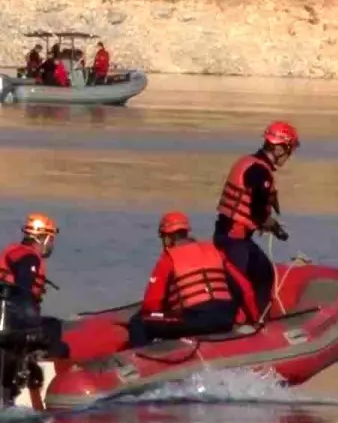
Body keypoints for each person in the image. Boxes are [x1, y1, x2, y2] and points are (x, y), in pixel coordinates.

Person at [212, 121, 300, 319]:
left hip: (235, 236)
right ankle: (241, 325)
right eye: (289, 149)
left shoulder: (249, 162)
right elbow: (257, 211)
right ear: (278, 147)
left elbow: (254, 209)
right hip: (233, 239)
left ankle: (258, 319)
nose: (289, 155)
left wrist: (266, 223)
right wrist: (276, 229)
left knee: (264, 272)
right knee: (239, 285)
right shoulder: (260, 172)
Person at [127, 211, 255, 347]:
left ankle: (140, 361)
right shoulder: (214, 250)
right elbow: (245, 288)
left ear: (167, 238)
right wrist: (254, 320)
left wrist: (165, 311)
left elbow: (151, 304)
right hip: (225, 317)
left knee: (139, 323)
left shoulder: (168, 259)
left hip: (195, 320)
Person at [0, 212, 69, 362]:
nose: (51, 245)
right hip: (10, 326)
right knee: (54, 327)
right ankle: (49, 375)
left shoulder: (13, 251)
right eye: (51, 240)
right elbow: (24, 291)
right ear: (43, 238)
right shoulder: (29, 258)